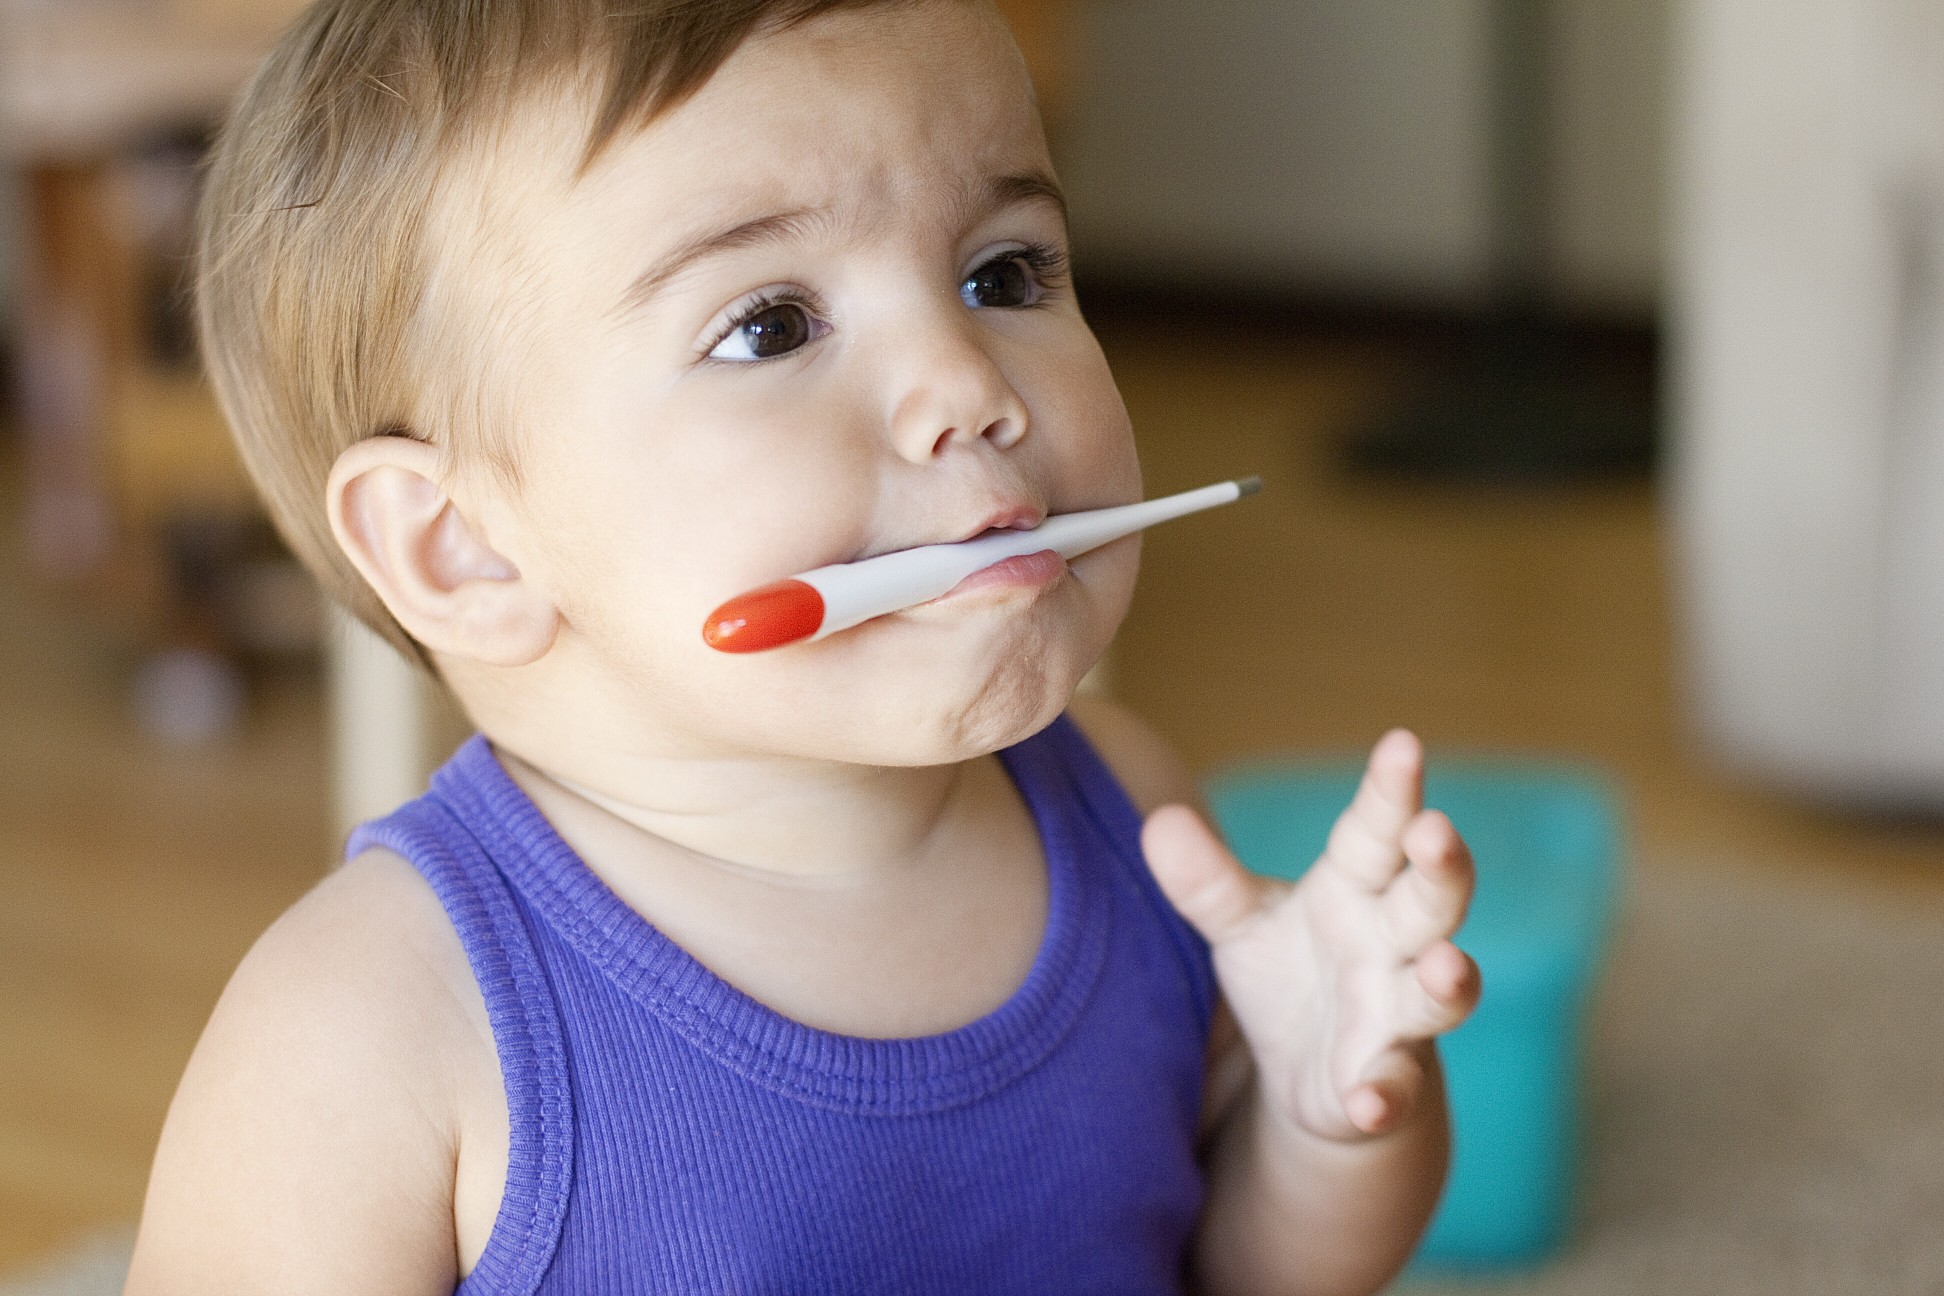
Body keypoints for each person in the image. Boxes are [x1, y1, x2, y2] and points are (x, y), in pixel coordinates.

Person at [124, 2, 1481, 1292]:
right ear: (463, 546)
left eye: (1003, 272)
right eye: (769, 325)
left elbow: (1230, 1267)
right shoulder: (365, 1028)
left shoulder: (1133, 812)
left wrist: (1321, 1116)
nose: (968, 383)